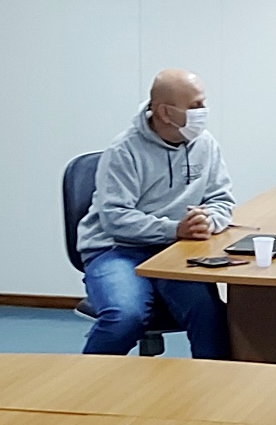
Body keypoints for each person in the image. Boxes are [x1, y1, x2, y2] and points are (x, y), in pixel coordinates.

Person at [76, 69, 236, 359]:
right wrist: (174, 229)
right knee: (125, 317)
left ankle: (215, 386)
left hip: (175, 251)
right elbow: (114, 218)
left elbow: (221, 199)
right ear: (165, 113)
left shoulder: (206, 144)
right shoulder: (124, 150)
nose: (204, 111)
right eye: (196, 105)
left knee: (209, 315)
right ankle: (83, 383)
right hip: (116, 250)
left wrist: (207, 221)